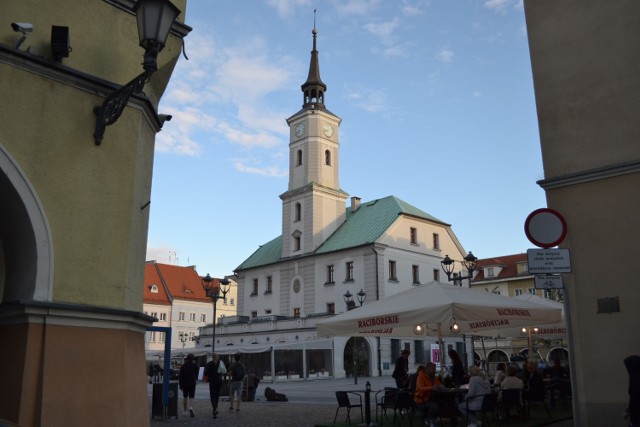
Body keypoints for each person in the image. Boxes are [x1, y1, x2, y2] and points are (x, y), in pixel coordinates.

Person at [414, 363, 447, 427]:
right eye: (432, 369)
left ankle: (430, 419)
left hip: (429, 398)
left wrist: (442, 387)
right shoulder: (420, 376)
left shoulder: (432, 376)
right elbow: (420, 388)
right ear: (427, 369)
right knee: (434, 406)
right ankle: (430, 420)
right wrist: (432, 388)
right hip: (421, 399)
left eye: (434, 369)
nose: (434, 370)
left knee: (443, 405)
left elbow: (438, 384)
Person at [204, 353, 225, 419]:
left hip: (212, 381)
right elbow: (223, 371)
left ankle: (214, 408)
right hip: (219, 381)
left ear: (212, 357)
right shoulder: (220, 363)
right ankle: (215, 408)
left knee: (212, 395)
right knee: (217, 395)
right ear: (217, 357)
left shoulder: (209, 364)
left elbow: (206, 373)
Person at [178, 353, 199, 418]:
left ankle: (185, 411)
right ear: (193, 359)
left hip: (185, 383)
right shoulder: (195, 366)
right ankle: (191, 407)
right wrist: (195, 380)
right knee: (191, 397)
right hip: (192, 383)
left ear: (187, 358)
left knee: (185, 396)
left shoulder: (183, 366)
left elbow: (181, 376)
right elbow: (197, 374)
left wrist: (180, 385)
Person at [624, 355, 640, 426]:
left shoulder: (637, 380)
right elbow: (633, 398)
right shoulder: (634, 379)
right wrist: (629, 411)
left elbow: (636, 399)